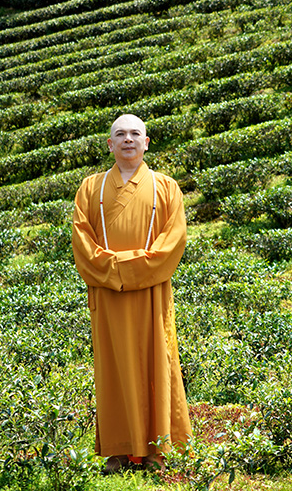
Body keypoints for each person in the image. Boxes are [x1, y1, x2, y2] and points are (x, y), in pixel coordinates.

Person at [71, 114, 192, 474]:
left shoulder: (166, 188)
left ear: (146, 142)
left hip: (152, 292)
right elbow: (82, 243)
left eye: (135, 134)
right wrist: (117, 273)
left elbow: (173, 243)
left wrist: (126, 270)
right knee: (113, 367)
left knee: (157, 362)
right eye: (120, 134)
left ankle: (157, 449)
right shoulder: (90, 188)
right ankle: (119, 450)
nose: (128, 139)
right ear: (109, 144)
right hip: (108, 294)